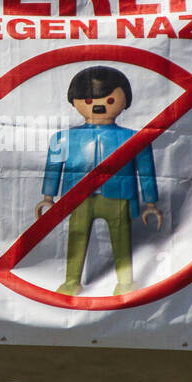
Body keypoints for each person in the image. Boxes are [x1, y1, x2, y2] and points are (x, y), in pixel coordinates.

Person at [36, 66, 162, 295]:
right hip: (79, 198)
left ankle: (125, 282)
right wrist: (48, 197)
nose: (99, 104)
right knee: (76, 238)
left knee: (122, 240)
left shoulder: (134, 139)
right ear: (75, 101)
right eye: (88, 98)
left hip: (119, 196)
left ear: (124, 99)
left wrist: (151, 202)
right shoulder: (63, 138)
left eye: (110, 98)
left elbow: (146, 171)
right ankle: (71, 281)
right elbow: (52, 169)